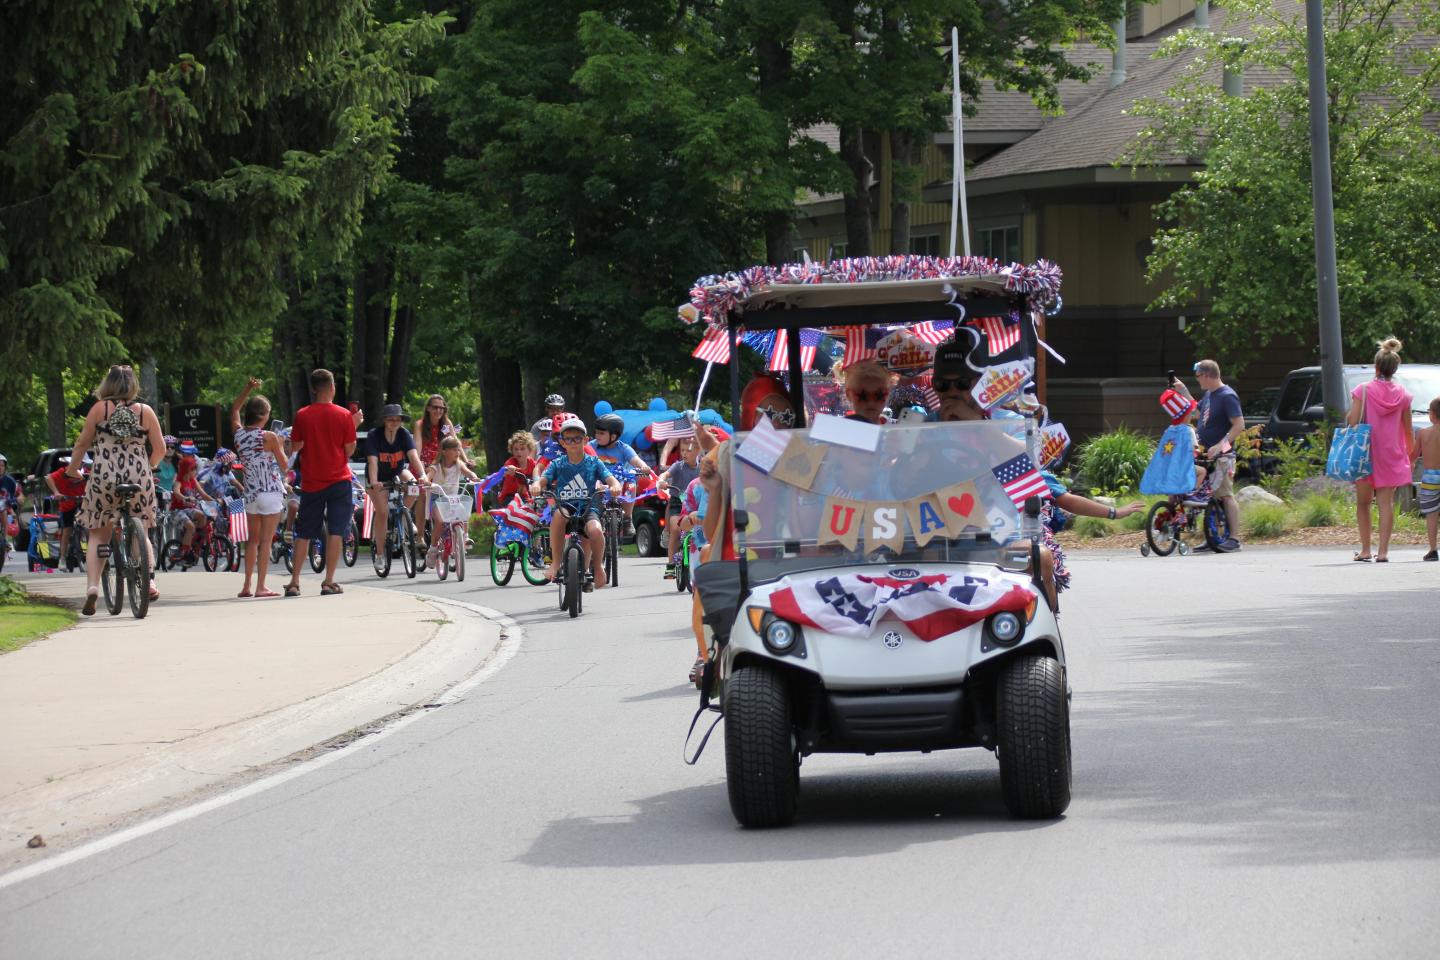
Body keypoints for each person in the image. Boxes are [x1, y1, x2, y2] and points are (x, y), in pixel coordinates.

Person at [67, 365, 166, 615]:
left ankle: (91, 588)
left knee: (98, 534)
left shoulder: (99, 409)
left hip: (104, 477)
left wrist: (73, 470)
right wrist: (149, 467)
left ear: (107, 385)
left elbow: (82, 443)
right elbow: (160, 448)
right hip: (138, 477)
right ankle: (150, 580)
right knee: (140, 527)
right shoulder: (145, 411)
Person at [284, 369, 362, 597]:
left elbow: (296, 446)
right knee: (337, 530)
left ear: (314, 389)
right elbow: (349, 449)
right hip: (339, 479)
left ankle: (295, 582)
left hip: (312, 481)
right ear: (331, 387)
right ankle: (329, 581)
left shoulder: (303, 415)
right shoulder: (344, 415)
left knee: (305, 532)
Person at [532, 417, 621, 589]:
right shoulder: (558, 463)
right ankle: (556, 563)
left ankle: (598, 568)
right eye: (569, 439)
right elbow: (544, 479)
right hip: (566, 505)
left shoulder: (594, 462)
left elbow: (609, 478)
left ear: (586, 440)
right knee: (558, 515)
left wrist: (615, 485)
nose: (573, 442)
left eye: (577, 438)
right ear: (562, 442)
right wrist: (537, 484)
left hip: (588, 506)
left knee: (594, 530)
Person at [1349, 337, 1415, 563]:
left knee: (1363, 503)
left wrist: (1352, 412)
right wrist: (1409, 455)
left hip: (1365, 453)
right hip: (1392, 454)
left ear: (1376, 367)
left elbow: (1353, 420)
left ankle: (1366, 550)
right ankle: (1384, 552)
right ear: (1394, 369)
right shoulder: (1404, 395)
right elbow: (1408, 431)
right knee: (1386, 504)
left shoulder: (1363, 390)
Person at [231, 378, 289, 598]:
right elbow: (284, 466)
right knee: (266, 541)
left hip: (250, 493)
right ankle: (261, 586)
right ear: (264, 416)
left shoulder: (238, 434)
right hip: (270, 490)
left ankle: (246, 585)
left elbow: (235, 408)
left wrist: (247, 387)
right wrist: (281, 446)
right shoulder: (269, 437)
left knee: (252, 541)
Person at [1179, 359, 1243, 552]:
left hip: (1223, 455)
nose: (1197, 380)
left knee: (1225, 495)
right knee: (1210, 496)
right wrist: (1183, 391)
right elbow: (1198, 413)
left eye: (1198, 377)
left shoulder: (1227, 396)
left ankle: (1234, 539)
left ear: (1207, 375)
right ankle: (1213, 537)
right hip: (1206, 455)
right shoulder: (1209, 394)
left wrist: (1220, 444)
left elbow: (1239, 425)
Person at [364, 403, 427, 566]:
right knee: (383, 512)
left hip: (397, 471)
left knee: (414, 488)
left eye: (397, 419)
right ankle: (379, 555)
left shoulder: (404, 434)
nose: (394, 422)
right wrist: (374, 482)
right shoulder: (374, 435)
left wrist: (423, 475)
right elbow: (372, 462)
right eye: (390, 419)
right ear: (384, 421)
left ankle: (404, 518)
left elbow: (413, 457)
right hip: (377, 476)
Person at [592, 412, 657, 536]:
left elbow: (636, 460)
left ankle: (627, 518)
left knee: (631, 483)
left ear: (614, 436)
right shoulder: (592, 446)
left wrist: (643, 467)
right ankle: (595, 515)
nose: (597, 436)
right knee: (594, 485)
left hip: (619, 484)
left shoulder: (623, 448)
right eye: (596, 432)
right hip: (598, 482)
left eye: (601, 433)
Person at [425, 435, 480, 567]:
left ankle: (465, 537)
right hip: (438, 498)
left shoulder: (458, 465)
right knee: (439, 521)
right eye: (455, 450)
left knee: (463, 512)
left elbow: (468, 472)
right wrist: (427, 481)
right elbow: (429, 476)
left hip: (453, 499)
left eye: (459, 450)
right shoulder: (436, 466)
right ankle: (433, 549)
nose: (458, 453)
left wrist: (474, 477)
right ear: (444, 451)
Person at [657, 437, 701, 578]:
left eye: (688, 451)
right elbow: (665, 474)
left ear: (698, 451)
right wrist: (662, 480)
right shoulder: (678, 466)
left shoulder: (703, 467)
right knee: (675, 529)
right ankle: (670, 564)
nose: (684, 453)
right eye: (682, 450)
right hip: (677, 502)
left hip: (695, 504)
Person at [46, 456, 89, 565]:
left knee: (89, 525)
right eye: (79, 462)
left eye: (82, 463)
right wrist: (56, 492)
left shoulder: (87, 473)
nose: (80, 465)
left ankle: (90, 552)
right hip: (67, 502)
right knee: (67, 529)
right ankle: (62, 558)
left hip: (83, 501)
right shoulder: (63, 472)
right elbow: (48, 478)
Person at [1415, 397, 1440, 562]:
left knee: (1431, 514)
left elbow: (1413, 455)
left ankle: (1433, 549)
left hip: (1431, 477)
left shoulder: (1423, 433)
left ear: (1431, 415)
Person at [841, 360, 893, 425]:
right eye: (863, 396)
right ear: (848, 395)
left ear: (888, 394)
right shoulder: (843, 427)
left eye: (879, 396)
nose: (871, 402)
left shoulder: (892, 428)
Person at [498, 431, 540, 504]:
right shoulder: (510, 463)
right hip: (509, 497)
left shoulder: (533, 464)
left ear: (529, 450)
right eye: (516, 449)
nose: (519, 452)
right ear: (512, 450)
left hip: (527, 497)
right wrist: (508, 470)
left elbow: (541, 473)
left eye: (522, 449)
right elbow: (503, 472)